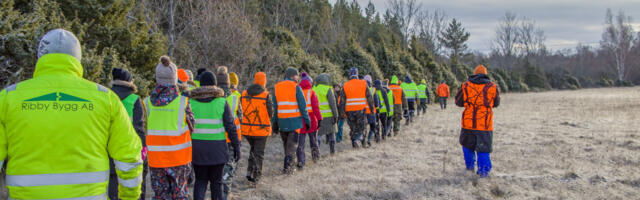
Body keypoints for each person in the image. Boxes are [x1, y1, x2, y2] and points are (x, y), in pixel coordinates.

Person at [0, 29, 142, 200]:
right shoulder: (105, 99)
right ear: (78, 58)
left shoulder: (8, 98)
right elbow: (129, 157)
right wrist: (129, 196)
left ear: (40, 57)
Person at [146, 56, 195, 200]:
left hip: (156, 160)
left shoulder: (147, 103)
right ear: (174, 79)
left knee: (160, 196)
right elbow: (192, 126)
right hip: (179, 160)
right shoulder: (183, 102)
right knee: (180, 195)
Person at [188, 71, 240, 200]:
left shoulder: (190, 103)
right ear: (215, 85)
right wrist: (236, 146)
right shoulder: (221, 102)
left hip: (197, 150)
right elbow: (231, 127)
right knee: (217, 184)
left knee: (200, 181)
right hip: (218, 150)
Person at [109, 67, 148, 200]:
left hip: (108, 149)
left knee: (112, 189)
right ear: (130, 82)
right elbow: (139, 127)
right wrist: (143, 148)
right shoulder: (134, 99)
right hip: (130, 149)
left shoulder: (107, 97)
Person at [455, 65, 500, 178]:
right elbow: (496, 103)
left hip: (468, 123)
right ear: (485, 74)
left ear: (474, 74)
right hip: (484, 124)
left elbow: (458, 102)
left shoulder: (465, 86)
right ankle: (483, 172)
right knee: (483, 149)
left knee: (467, 146)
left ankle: (469, 168)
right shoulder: (493, 87)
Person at [272, 67, 311, 174]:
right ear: (293, 76)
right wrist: (307, 121)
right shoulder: (296, 87)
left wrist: (274, 122)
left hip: (282, 122)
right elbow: (303, 107)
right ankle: (288, 169)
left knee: (286, 146)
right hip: (294, 123)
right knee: (292, 147)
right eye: (297, 75)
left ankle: (288, 166)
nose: (298, 77)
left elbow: (275, 107)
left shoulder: (277, 87)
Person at [240, 72, 273, 183]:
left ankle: (250, 171)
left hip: (246, 129)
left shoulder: (244, 93)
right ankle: (256, 176)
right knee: (259, 153)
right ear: (264, 81)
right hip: (261, 130)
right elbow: (270, 113)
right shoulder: (266, 95)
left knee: (253, 150)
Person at [215, 66, 242, 200]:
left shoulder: (211, 98)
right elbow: (240, 118)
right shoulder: (235, 98)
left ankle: (219, 191)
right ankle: (225, 193)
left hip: (216, 138)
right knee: (229, 166)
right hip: (232, 138)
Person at [340, 68, 375, 148]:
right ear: (357, 74)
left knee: (353, 129)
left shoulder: (345, 85)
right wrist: (372, 109)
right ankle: (358, 140)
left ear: (350, 74)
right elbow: (369, 98)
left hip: (349, 111)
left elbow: (342, 101)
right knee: (362, 128)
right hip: (360, 110)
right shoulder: (363, 83)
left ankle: (354, 145)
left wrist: (342, 113)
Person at [296, 72, 323, 169]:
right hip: (311, 119)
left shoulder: (297, 91)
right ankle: (315, 158)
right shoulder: (311, 92)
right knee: (313, 141)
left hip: (300, 119)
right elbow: (316, 108)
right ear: (310, 82)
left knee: (300, 143)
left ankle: (301, 161)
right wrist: (320, 119)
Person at [313, 73, 339, 154]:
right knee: (331, 134)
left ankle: (316, 152)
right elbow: (333, 104)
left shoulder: (313, 89)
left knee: (319, 135)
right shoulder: (328, 89)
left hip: (317, 117)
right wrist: (336, 115)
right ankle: (332, 151)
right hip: (329, 116)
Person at [364, 75, 379, 147]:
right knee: (372, 127)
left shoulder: (361, 88)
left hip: (363, 112)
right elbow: (376, 101)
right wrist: (377, 109)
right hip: (371, 111)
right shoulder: (373, 89)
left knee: (363, 127)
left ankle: (363, 140)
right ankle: (369, 140)